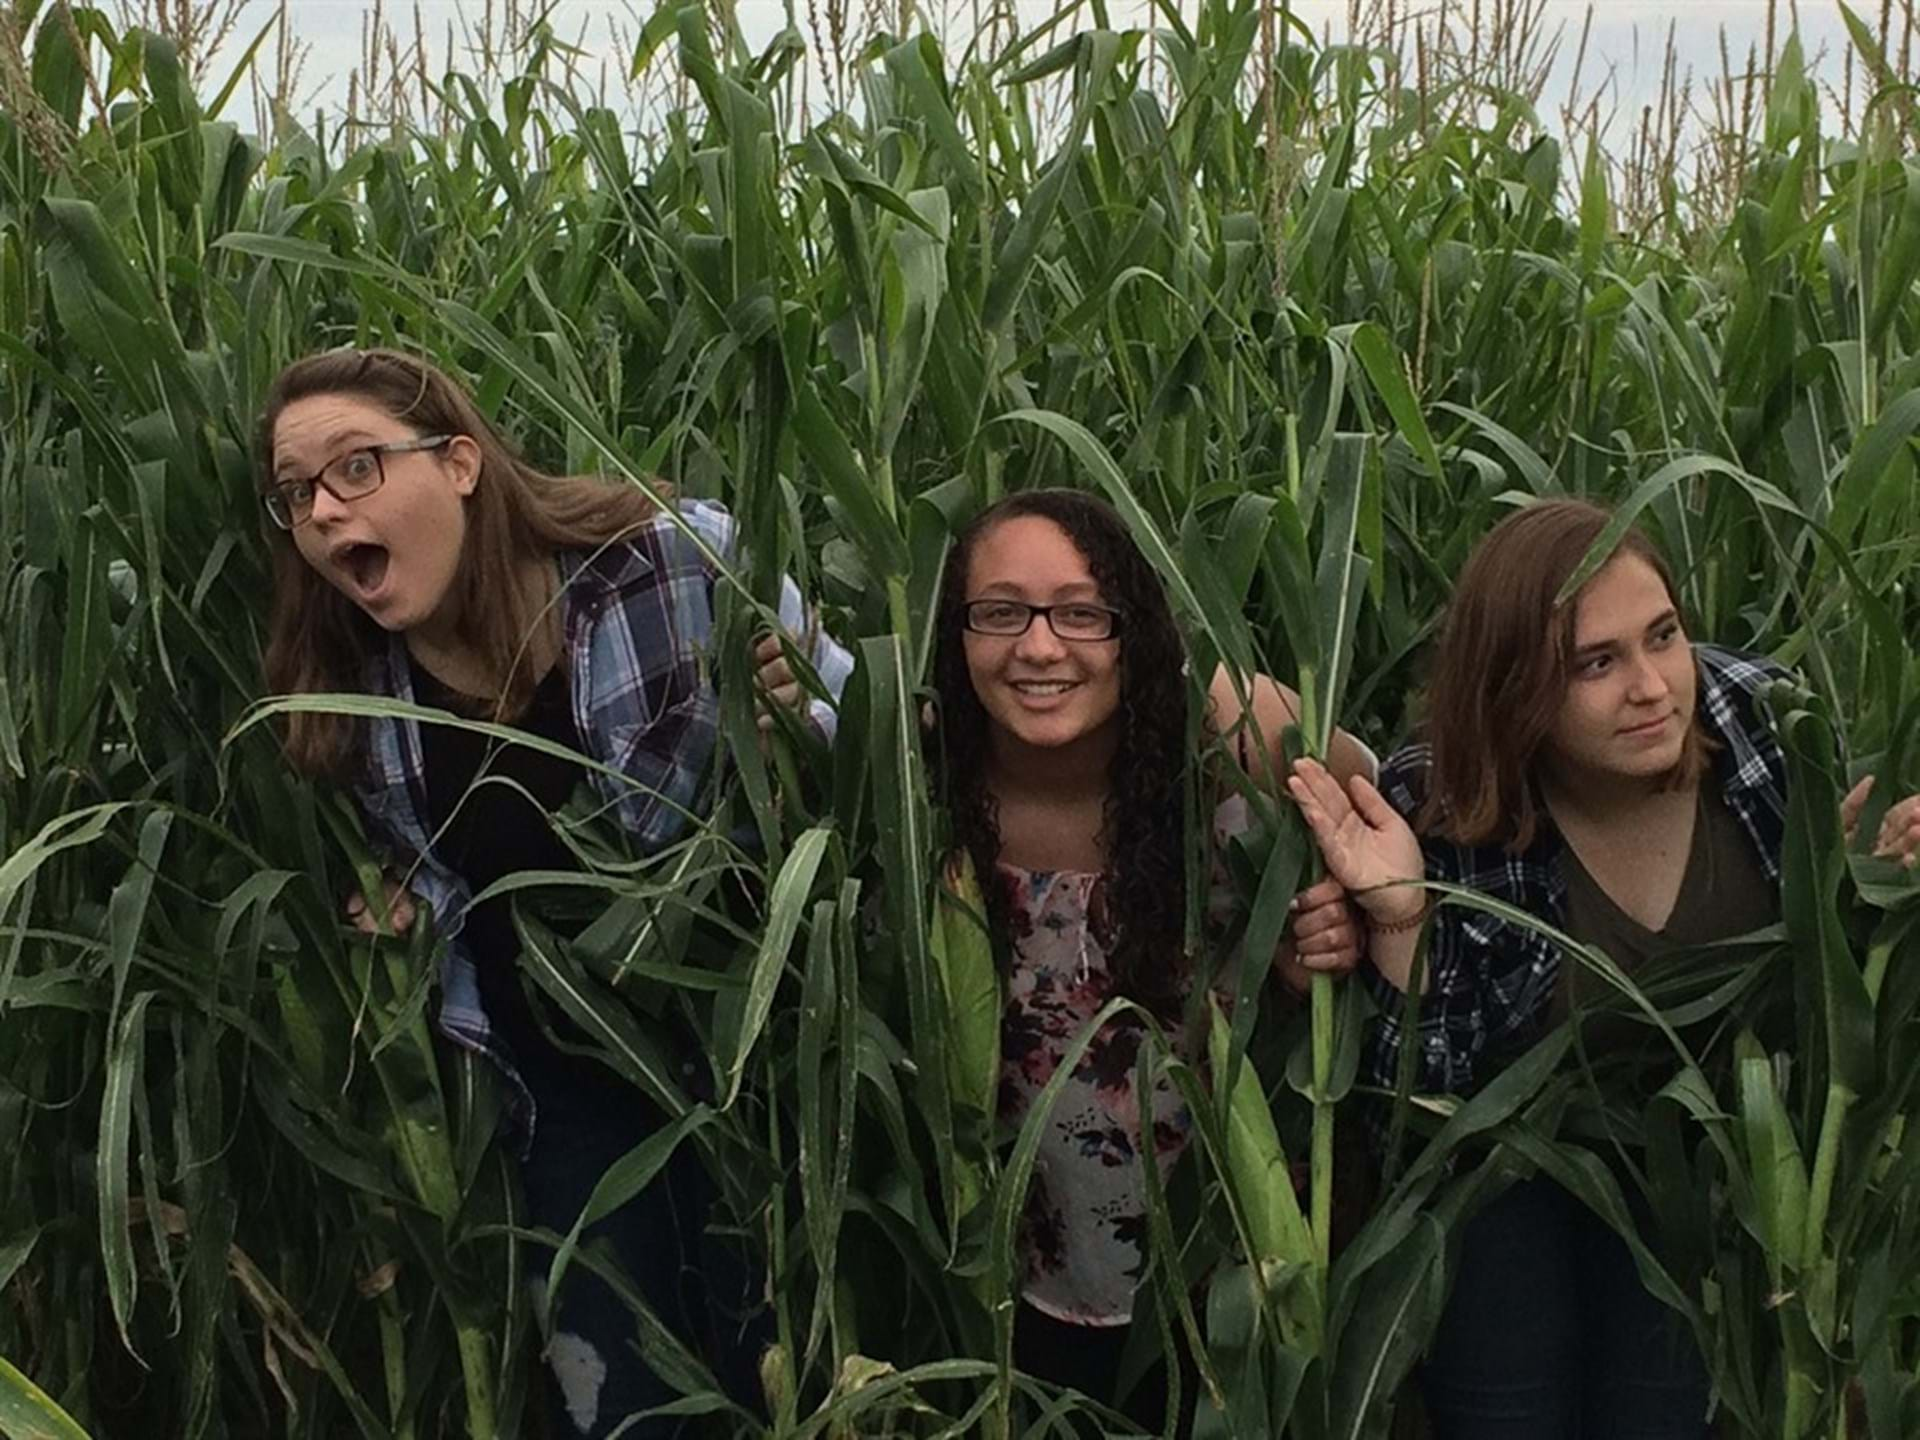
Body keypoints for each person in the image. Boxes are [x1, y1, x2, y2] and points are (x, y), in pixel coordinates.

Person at [256, 347, 853, 1438]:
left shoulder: (673, 564)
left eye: (354, 470)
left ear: (462, 464)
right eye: (297, 495)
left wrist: (808, 712)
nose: (326, 514)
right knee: (618, 1411)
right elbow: (446, 891)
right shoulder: (360, 702)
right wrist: (396, 923)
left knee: (793, 1384)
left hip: (748, 1076)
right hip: (563, 1101)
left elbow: (860, 738)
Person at [1285, 498, 1920, 1439]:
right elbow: (1429, 1104)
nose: (1654, 686)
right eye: (1596, 662)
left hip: (1704, 1154)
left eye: (1663, 636)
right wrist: (1404, 919)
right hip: (1505, 1163)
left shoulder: (1763, 720)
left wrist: (1879, 883)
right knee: (1509, 1406)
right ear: (1514, 690)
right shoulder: (1441, 796)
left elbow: (1829, 979)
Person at [930, 489, 1374, 1429]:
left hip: (1234, 1277)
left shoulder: (1217, 747)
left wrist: (1327, 925)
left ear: (1136, 624)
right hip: (1023, 1279)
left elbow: (1369, 796)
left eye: (1084, 611)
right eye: (1000, 611)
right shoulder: (927, 777)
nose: (1040, 647)